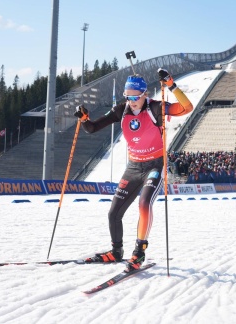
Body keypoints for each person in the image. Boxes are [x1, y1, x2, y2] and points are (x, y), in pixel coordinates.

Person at [74, 68, 193, 271]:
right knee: (113, 213)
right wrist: (84, 119)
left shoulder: (155, 108)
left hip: (154, 166)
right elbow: (93, 128)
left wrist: (171, 85)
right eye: (128, 96)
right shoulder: (121, 110)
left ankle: (139, 252)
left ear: (145, 94)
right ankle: (116, 251)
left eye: (136, 97)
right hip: (133, 167)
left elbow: (187, 107)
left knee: (144, 203)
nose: (132, 100)